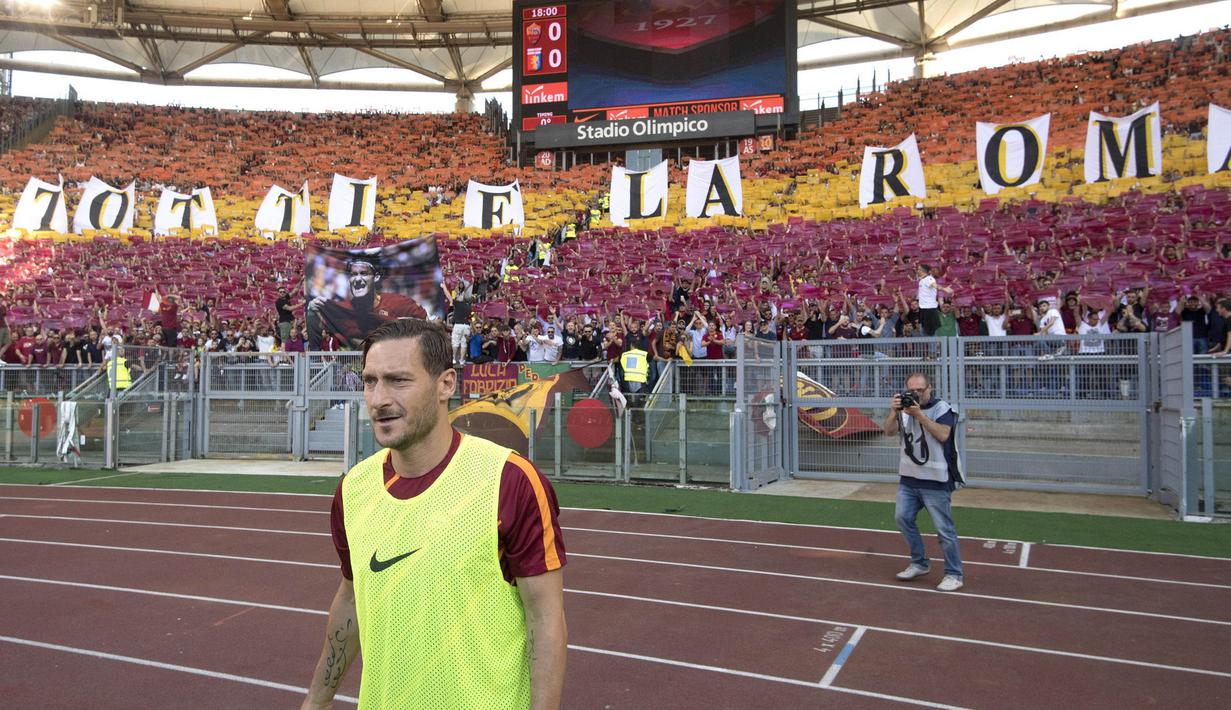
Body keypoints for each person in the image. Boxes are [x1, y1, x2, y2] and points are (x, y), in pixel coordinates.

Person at [301, 319, 567, 710]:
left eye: (398, 381)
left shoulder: (510, 482)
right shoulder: (353, 489)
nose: (378, 399)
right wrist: (315, 702)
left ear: (446, 384)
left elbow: (545, 623)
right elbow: (351, 600)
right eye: (370, 381)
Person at [882, 372, 965, 592]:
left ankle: (954, 574)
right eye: (912, 390)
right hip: (909, 478)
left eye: (920, 390)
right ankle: (919, 562)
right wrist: (894, 411)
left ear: (930, 389)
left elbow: (943, 434)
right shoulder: (904, 409)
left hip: (936, 481)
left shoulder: (942, 409)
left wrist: (919, 415)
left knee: (944, 530)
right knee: (903, 518)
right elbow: (888, 431)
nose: (916, 394)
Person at [306, 257, 427, 350]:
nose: (358, 279)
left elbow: (428, 323)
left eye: (364, 273)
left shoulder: (399, 303)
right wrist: (314, 310)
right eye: (353, 274)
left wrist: (403, 325)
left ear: (376, 277)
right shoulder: (341, 310)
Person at [915, 264, 953, 336]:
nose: (917, 271)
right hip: (923, 309)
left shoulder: (930, 279)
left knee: (931, 334)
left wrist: (944, 289)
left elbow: (934, 285)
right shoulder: (922, 280)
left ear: (923, 271)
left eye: (919, 269)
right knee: (923, 332)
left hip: (929, 309)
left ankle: (933, 347)